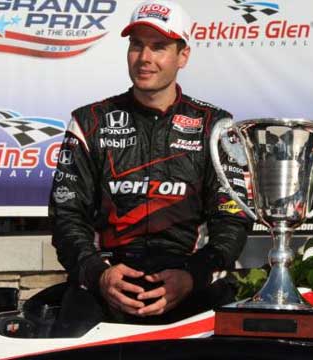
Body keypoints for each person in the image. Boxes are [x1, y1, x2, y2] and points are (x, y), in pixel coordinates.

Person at [49, 0, 249, 335]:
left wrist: (192, 276)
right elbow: (67, 215)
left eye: (159, 47)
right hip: (107, 281)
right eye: (137, 45)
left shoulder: (216, 126)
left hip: (188, 281)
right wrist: (97, 273)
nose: (145, 58)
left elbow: (231, 218)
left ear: (182, 56)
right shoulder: (89, 122)